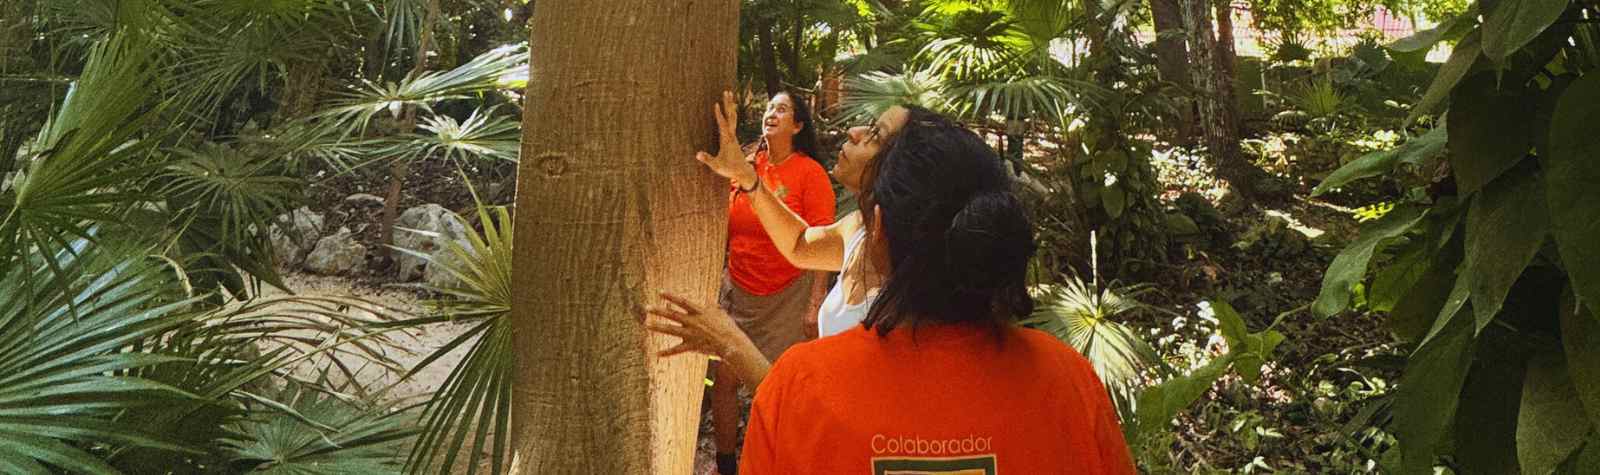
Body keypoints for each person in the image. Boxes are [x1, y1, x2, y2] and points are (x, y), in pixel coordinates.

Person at [645, 105, 1137, 474]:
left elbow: (815, 408)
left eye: (877, 135)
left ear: (882, 225)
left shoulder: (801, 384)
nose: (855, 132)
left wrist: (731, 343)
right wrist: (749, 179)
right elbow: (798, 242)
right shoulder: (1070, 382)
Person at [704, 90, 835, 475]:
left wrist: (815, 303)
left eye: (781, 109)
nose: (771, 114)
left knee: (778, 388)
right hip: (737, 289)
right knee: (723, 381)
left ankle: (779, 462)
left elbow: (821, 241)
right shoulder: (746, 164)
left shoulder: (809, 173)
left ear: (797, 125)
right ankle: (727, 464)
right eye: (768, 108)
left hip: (786, 297)